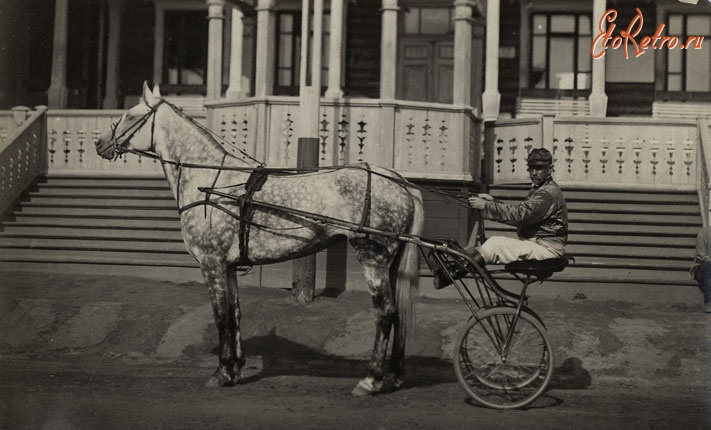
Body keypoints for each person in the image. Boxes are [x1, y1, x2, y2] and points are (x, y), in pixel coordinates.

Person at [429, 148, 568, 289]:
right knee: (491, 245)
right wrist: (492, 201)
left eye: (539, 169)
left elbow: (520, 215)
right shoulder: (542, 189)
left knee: (495, 244)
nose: (533, 173)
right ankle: (455, 268)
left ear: (550, 169)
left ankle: (452, 274)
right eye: (531, 168)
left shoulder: (547, 194)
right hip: (539, 244)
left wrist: (487, 206)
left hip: (546, 248)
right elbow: (524, 212)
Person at [692, 226, 711, 313]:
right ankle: (709, 302)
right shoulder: (704, 233)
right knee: (708, 265)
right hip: (703, 269)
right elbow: (702, 255)